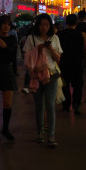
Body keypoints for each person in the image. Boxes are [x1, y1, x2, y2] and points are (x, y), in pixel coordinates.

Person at [23, 13, 63, 147]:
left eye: (46, 25)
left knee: (50, 105)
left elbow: (58, 59)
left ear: (50, 26)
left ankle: (51, 135)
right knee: (39, 105)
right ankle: (40, 133)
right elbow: (26, 57)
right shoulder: (31, 39)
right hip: (36, 76)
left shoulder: (55, 38)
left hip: (51, 75)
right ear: (37, 25)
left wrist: (50, 48)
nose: (44, 27)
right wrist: (37, 49)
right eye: (41, 25)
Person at [58, 14, 86, 116]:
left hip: (64, 63)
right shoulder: (82, 35)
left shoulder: (60, 34)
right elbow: (85, 49)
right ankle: (76, 104)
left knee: (65, 85)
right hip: (77, 63)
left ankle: (66, 105)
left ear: (66, 22)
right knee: (78, 85)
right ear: (76, 23)